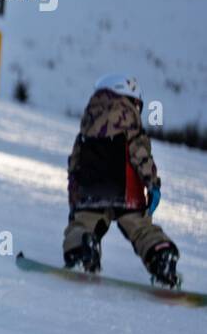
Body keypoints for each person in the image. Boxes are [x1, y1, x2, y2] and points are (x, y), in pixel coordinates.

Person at [64, 74, 178, 286]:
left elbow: (74, 166)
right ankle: (161, 255)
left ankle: (82, 250)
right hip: (126, 189)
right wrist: (153, 184)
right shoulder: (130, 124)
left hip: (92, 189)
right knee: (141, 228)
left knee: (84, 223)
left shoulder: (87, 126)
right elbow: (140, 153)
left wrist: (75, 202)